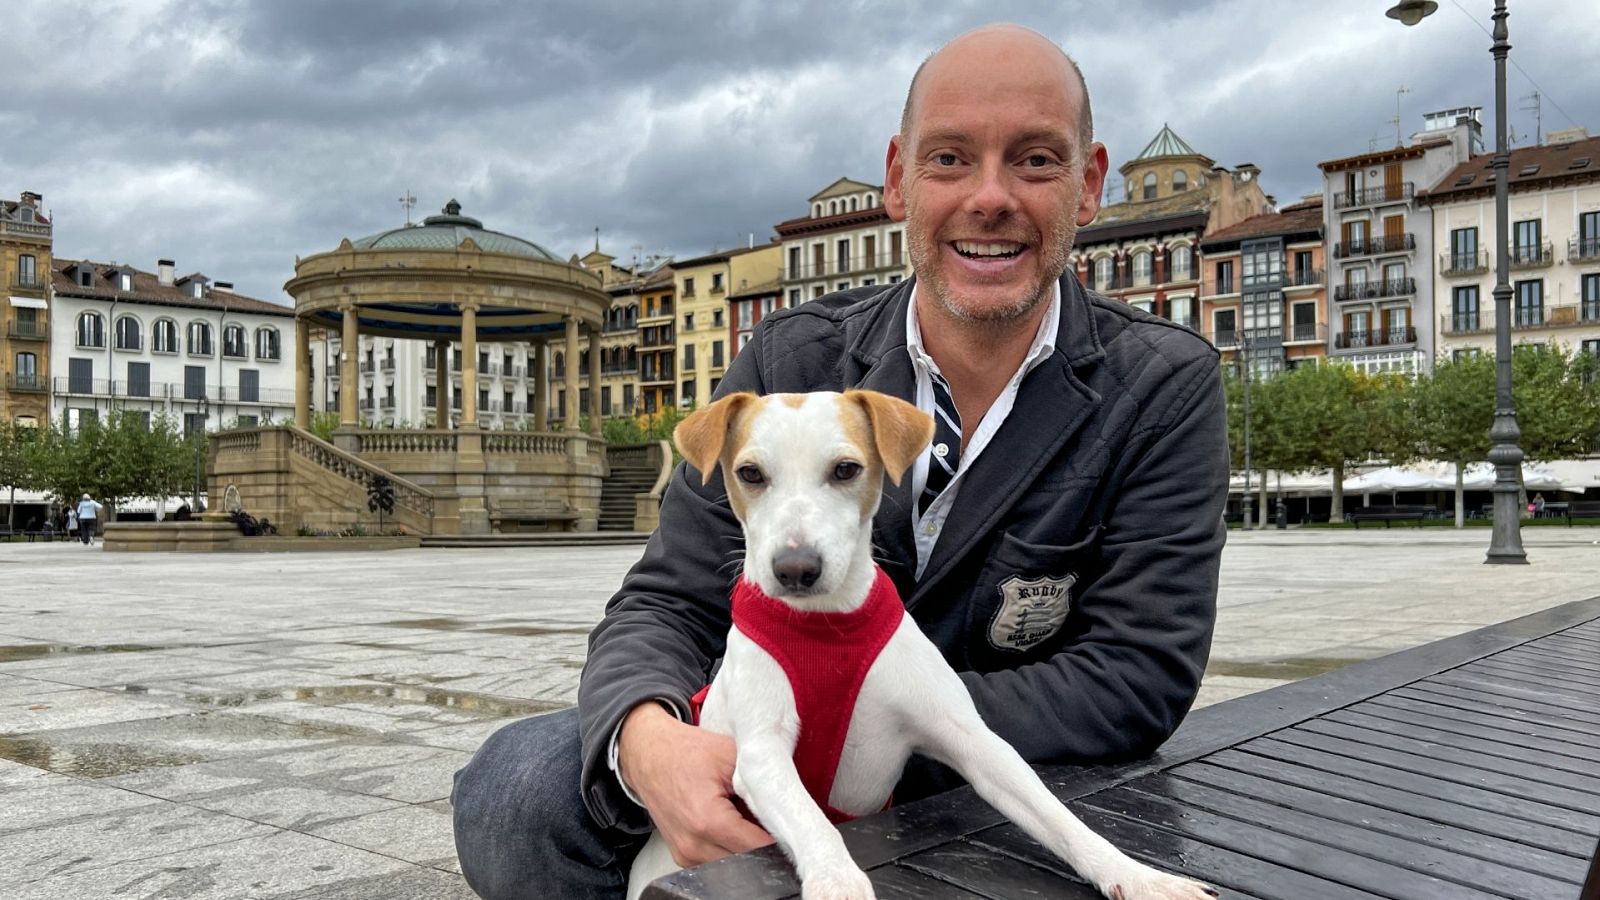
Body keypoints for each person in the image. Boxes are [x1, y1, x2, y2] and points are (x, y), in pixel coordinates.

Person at [452, 24, 1228, 900]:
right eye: (949, 159)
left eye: (1036, 160)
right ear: (899, 179)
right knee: (512, 792)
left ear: (1088, 185)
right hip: (763, 735)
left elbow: (1137, 674)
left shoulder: (1161, 384)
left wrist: (886, 719)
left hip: (988, 770)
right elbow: (669, 597)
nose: (989, 197)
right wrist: (649, 738)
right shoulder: (792, 360)